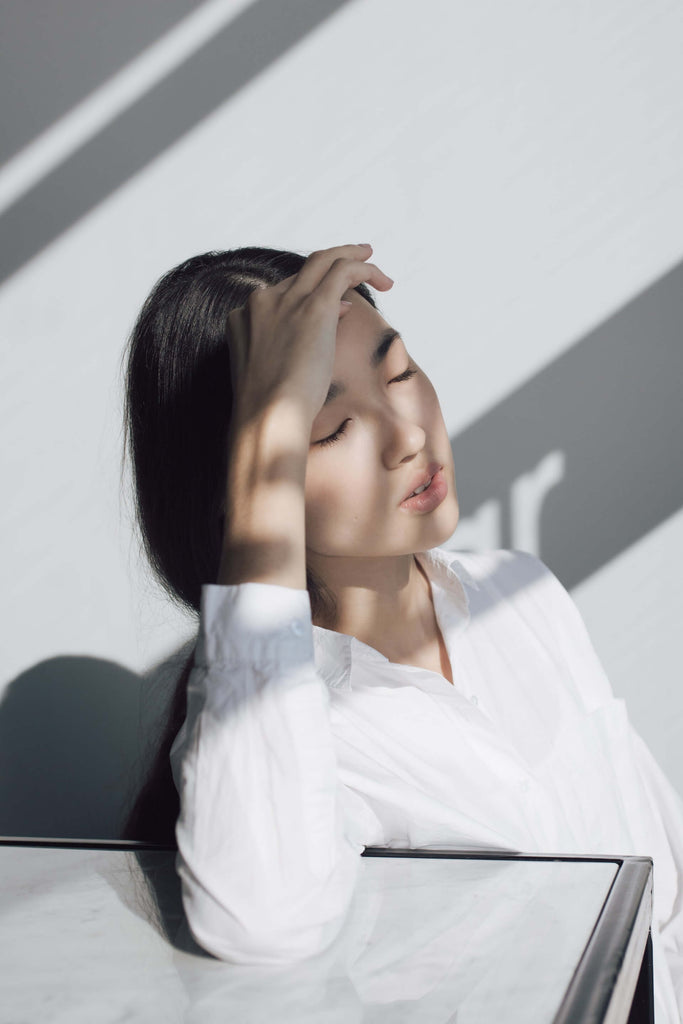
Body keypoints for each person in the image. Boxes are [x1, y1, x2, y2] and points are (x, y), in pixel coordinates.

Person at [123, 244, 683, 1019]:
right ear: (245, 484)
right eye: (329, 427)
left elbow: (662, 882)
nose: (407, 435)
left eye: (399, 373)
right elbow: (261, 920)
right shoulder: (289, 724)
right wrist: (265, 442)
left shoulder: (521, 595)